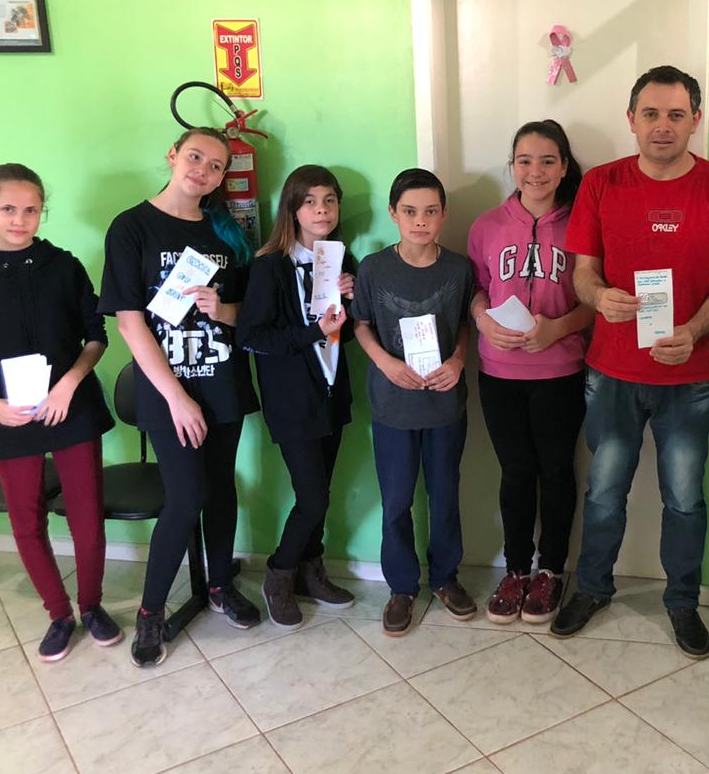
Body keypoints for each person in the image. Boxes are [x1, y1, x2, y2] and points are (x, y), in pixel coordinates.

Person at [550, 65, 709, 656]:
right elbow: (583, 272)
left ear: (696, 119)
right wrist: (599, 298)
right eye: (650, 114)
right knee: (603, 493)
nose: (662, 126)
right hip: (611, 372)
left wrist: (695, 330)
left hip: (688, 376)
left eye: (675, 114)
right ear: (631, 120)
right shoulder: (601, 184)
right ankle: (591, 588)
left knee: (685, 499)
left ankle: (682, 602)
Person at [98, 127, 261, 667]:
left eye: (216, 166)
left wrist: (222, 309)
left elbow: (246, 312)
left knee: (221, 490)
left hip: (223, 379)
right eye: (195, 157)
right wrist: (177, 398)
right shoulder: (132, 227)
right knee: (186, 497)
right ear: (172, 156)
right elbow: (129, 323)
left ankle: (218, 586)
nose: (203, 171)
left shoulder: (225, 232)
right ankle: (151, 612)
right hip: (170, 392)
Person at [0, 164, 118, 661]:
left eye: (31, 210)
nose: (19, 220)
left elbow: (96, 337)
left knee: (87, 517)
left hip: (71, 409)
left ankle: (91, 606)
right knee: (26, 521)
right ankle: (58, 614)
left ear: (42, 212)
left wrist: (68, 385)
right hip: (9, 416)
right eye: (8, 209)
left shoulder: (64, 267)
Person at [467, 120, 593, 624]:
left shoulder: (584, 224)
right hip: (499, 374)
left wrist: (557, 328)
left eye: (547, 161)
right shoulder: (486, 226)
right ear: (512, 166)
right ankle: (517, 569)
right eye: (524, 160)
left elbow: (597, 302)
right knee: (516, 472)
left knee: (557, 471)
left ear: (563, 168)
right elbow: (476, 289)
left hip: (561, 372)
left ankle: (552, 571)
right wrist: (482, 319)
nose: (535, 171)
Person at [350, 169, 476, 636]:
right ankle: (402, 587)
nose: (420, 221)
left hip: (444, 404)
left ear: (443, 214)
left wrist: (458, 360)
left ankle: (445, 577)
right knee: (397, 500)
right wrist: (385, 362)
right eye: (409, 211)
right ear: (393, 214)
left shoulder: (459, 269)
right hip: (393, 405)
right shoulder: (373, 268)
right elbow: (361, 324)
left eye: (430, 211)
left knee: (445, 495)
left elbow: (464, 324)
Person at [238, 165, 358, 628]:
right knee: (312, 499)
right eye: (310, 202)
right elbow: (253, 337)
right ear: (292, 209)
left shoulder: (342, 260)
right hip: (292, 401)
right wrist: (314, 330)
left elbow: (345, 336)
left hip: (331, 393)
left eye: (329, 200)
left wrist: (350, 304)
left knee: (321, 492)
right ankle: (279, 574)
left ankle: (311, 570)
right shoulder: (269, 266)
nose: (321, 210)